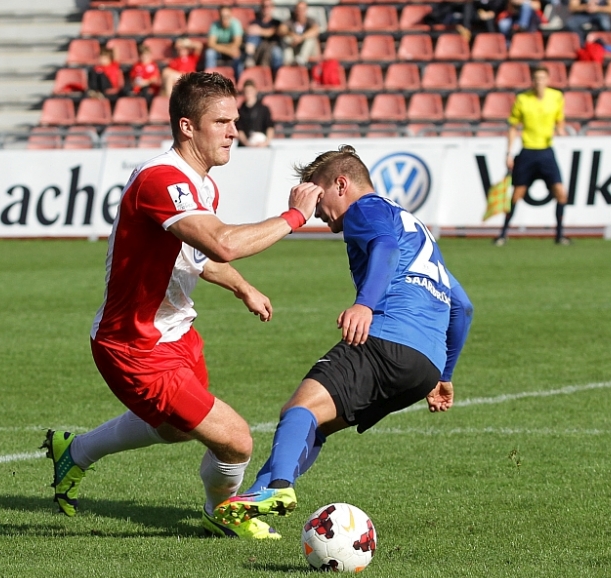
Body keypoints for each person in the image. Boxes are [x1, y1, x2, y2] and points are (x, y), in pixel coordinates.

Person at [41, 72, 320, 541]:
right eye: (222, 122)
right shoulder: (162, 179)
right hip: (136, 346)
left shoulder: (201, 185)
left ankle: (77, 451)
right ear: (187, 126)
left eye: (234, 121)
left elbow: (199, 258)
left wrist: (242, 287)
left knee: (178, 429)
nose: (233, 131)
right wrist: (294, 217)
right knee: (236, 441)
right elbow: (221, 243)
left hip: (177, 333)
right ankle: (221, 512)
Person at [212, 146, 474, 533]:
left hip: (387, 339)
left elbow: (384, 248)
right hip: (424, 367)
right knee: (314, 423)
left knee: (299, 409)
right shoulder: (415, 231)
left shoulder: (365, 208)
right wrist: (444, 375)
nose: (317, 210)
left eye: (319, 197)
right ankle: (252, 503)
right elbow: (462, 307)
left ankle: (277, 487)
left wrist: (365, 305)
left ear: (341, 184)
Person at [495, 65, 569, 246]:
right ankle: (503, 234)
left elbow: (559, 120)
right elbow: (513, 127)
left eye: (542, 78)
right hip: (528, 151)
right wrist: (509, 153)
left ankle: (560, 236)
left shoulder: (556, 97)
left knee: (560, 193)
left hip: (546, 151)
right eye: (536, 79)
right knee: (517, 194)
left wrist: (561, 130)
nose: (539, 82)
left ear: (548, 80)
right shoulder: (522, 99)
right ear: (532, 81)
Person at [204, 6, 244, 79]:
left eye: (227, 16)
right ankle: (209, 79)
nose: (224, 19)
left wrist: (220, 46)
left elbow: (237, 43)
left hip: (227, 49)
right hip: (222, 51)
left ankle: (239, 79)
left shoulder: (236, 24)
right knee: (209, 53)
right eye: (222, 16)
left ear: (231, 15)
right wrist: (228, 50)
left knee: (237, 55)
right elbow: (210, 43)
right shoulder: (215, 25)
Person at [244, 1, 283, 75]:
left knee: (277, 52)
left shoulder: (276, 22)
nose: (266, 9)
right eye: (264, 6)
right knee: (252, 38)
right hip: (258, 47)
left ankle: (276, 76)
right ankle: (249, 58)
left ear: (272, 8)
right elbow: (249, 30)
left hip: (272, 46)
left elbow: (273, 32)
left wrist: (260, 31)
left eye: (268, 6)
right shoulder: (255, 21)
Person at [281, 1, 320, 67]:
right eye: (298, 9)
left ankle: (301, 60)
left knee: (310, 39)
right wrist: (292, 35)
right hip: (295, 48)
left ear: (306, 10)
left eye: (302, 9)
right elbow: (281, 30)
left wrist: (301, 38)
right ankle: (288, 61)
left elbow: (315, 30)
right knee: (286, 39)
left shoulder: (310, 21)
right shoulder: (290, 21)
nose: (300, 11)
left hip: (310, 51)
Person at [236, 80, 274, 147]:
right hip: (245, 147)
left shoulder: (264, 109)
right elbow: (239, 129)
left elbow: (270, 127)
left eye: (250, 91)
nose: (248, 93)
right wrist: (247, 143)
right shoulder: (240, 111)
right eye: (246, 91)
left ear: (255, 91)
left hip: (262, 145)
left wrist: (266, 143)